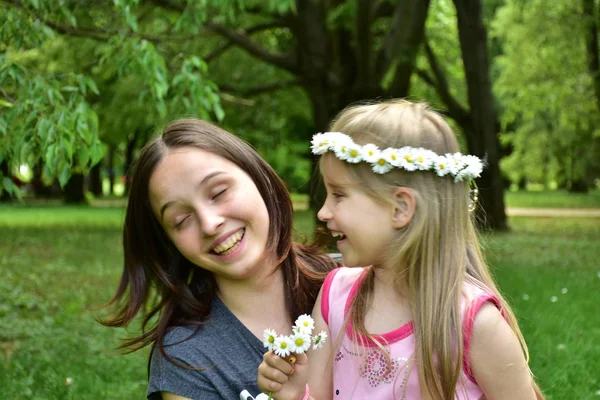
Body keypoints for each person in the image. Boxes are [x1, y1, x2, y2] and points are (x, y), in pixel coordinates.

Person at [257, 100, 545, 399]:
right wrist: (293, 394)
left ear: (400, 208)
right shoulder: (335, 296)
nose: (323, 212)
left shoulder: (475, 325)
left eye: (339, 195)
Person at [99, 118, 338, 400]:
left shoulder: (351, 283)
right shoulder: (188, 361)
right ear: (170, 242)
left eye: (219, 192)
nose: (209, 223)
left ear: (258, 176)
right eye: (181, 219)